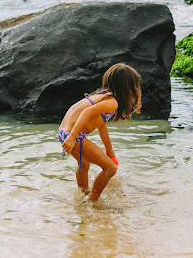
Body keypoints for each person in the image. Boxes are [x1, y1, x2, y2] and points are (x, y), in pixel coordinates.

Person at [59, 63, 141, 200]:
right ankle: (93, 200)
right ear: (128, 88)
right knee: (110, 168)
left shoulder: (103, 96)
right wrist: (72, 137)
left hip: (64, 131)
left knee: (84, 164)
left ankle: (83, 195)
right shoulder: (112, 102)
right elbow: (86, 112)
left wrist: (109, 149)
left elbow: (101, 126)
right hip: (72, 135)